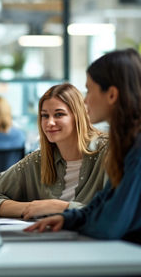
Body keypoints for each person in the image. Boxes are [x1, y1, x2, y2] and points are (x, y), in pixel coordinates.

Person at [25, 48, 141, 242]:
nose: (85, 100)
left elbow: (110, 226)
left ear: (112, 94)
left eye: (89, 90)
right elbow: (100, 206)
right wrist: (66, 218)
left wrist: (69, 216)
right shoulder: (125, 144)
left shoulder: (136, 150)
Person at [0, 83, 108, 219]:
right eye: (45, 116)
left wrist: (58, 207)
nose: (50, 123)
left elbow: (115, 211)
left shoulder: (107, 152)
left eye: (59, 114)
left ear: (78, 116)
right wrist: (31, 208)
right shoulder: (38, 160)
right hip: (48, 237)